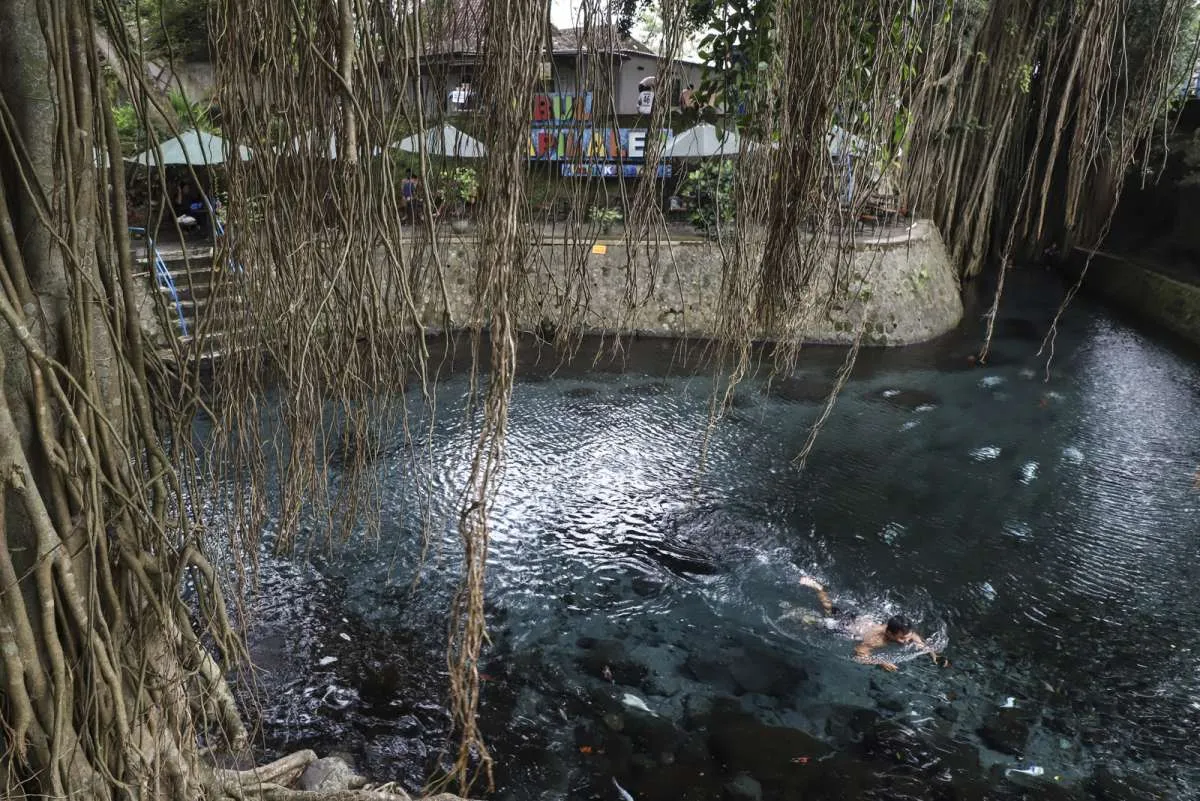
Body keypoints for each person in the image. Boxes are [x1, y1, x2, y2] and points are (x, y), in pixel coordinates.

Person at [797, 575, 938, 671]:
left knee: (831, 608)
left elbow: (915, 637)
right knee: (824, 615)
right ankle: (816, 592)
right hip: (846, 627)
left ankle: (819, 589)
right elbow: (858, 654)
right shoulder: (876, 641)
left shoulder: (905, 631)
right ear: (889, 633)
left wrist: (931, 653)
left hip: (860, 620)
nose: (906, 640)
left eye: (907, 636)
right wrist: (880, 662)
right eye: (902, 638)